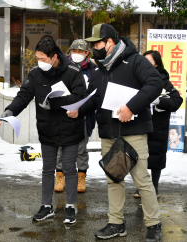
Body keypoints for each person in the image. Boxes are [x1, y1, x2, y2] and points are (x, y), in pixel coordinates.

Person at [67, 24, 162, 242]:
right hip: (110, 134)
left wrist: (132, 106)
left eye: (97, 43)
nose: (94, 48)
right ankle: (116, 223)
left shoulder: (135, 61)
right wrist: (78, 110)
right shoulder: (99, 69)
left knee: (141, 180)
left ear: (110, 42)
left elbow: (155, 83)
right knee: (114, 179)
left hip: (133, 132)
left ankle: (154, 223)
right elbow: (93, 98)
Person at [0, 38, 86, 224]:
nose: (40, 62)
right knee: (48, 169)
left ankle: (71, 206)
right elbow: (24, 95)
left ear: (54, 57)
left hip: (70, 127)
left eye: (43, 59)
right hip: (47, 128)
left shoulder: (73, 71)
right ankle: (46, 206)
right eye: (37, 58)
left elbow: (80, 96)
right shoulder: (35, 73)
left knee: (70, 169)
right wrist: (11, 110)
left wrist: (55, 103)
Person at [133, 50, 183, 198]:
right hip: (140, 123)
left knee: (157, 157)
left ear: (156, 63)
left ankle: (154, 187)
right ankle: (140, 186)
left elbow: (177, 101)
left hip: (158, 125)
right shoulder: (137, 79)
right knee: (140, 156)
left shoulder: (164, 81)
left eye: (149, 60)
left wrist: (160, 101)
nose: (145, 63)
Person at [54, 39, 96, 193]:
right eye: (75, 51)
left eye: (81, 51)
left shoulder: (93, 69)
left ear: (87, 53)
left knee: (81, 148)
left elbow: (95, 93)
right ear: (70, 51)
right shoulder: (62, 66)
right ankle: (60, 175)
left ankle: (81, 177)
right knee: (60, 145)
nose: (77, 54)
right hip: (63, 112)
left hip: (84, 114)